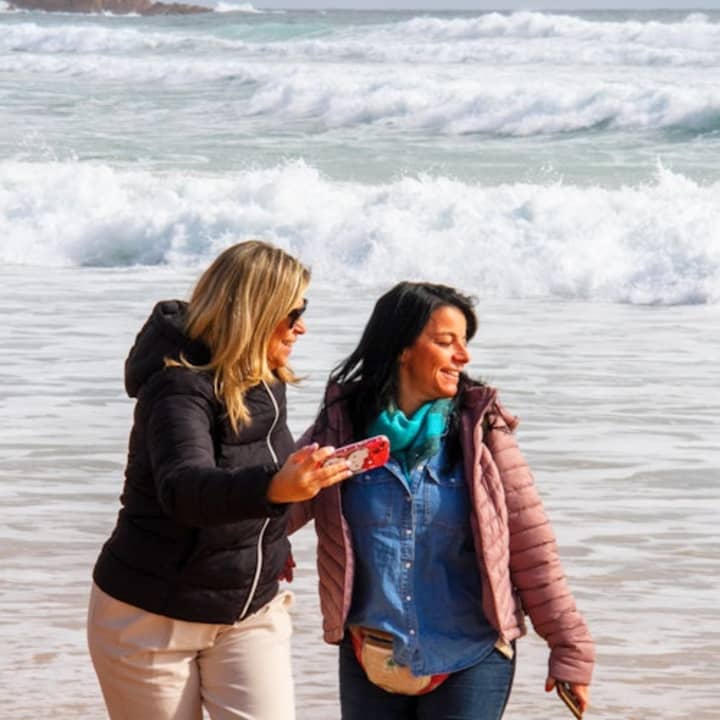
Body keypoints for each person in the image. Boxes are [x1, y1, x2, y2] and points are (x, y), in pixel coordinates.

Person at [290, 282, 595, 720]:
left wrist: (570, 649)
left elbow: (532, 548)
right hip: (369, 655)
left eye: (464, 342)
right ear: (402, 348)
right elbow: (275, 507)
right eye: (446, 342)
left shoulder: (481, 433)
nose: (463, 356)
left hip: (469, 656)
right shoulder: (342, 429)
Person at [87, 240, 352, 720]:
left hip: (249, 611)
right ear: (255, 312)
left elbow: (251, 467)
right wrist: (276, 489)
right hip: (150, 620)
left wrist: (270, 539)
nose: (302, 326)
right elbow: (185, 488)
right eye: (293, 313)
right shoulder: (176, 386)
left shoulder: (266, 378)